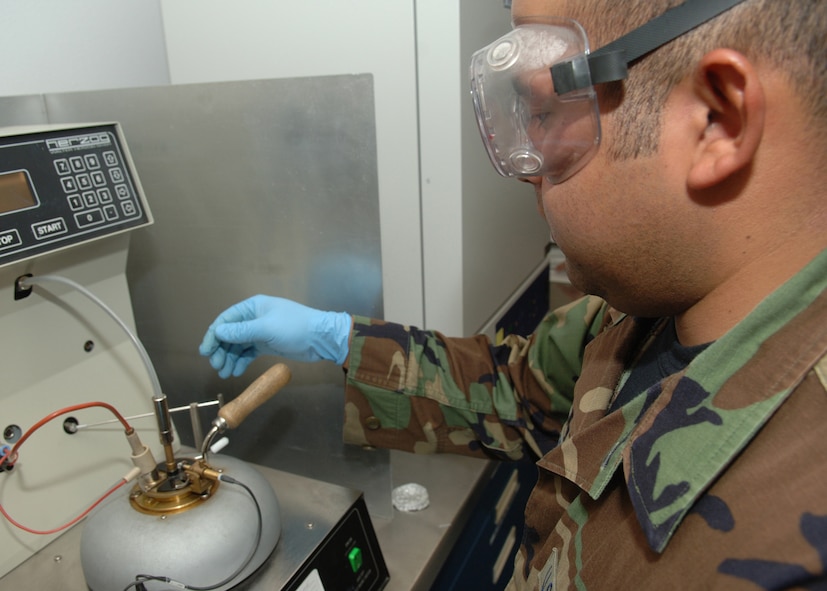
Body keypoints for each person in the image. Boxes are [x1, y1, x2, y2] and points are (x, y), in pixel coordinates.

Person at [199, 0, 827, 588]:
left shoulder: (794, 546)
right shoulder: (646, 312)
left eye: (546, 111)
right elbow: (515, 390)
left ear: (717, 120)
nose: (530, 163)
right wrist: (336, 339)